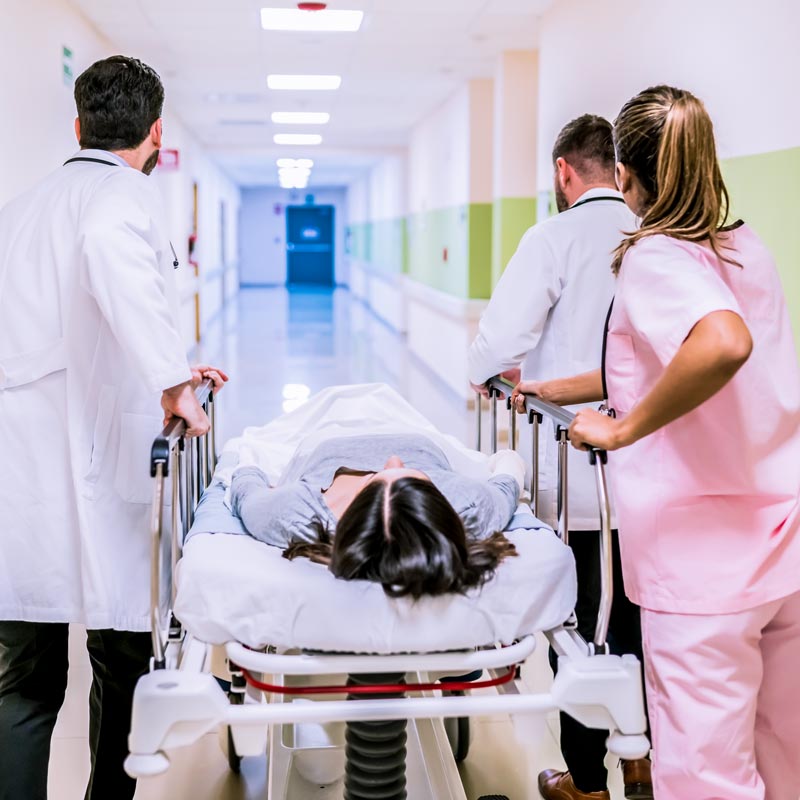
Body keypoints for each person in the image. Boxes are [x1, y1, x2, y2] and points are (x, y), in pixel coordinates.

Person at [513, 85, 800, 800]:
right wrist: (554, 390)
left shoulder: (654, 255)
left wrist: (623, 429)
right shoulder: (745, 248)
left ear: (627, 177)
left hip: (702, 572)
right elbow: (662, 364)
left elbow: (721, 343)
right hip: (782, 545)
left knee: (707, 780)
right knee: (783, 761)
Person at [0, 56, 227, 800]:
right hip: (97, 456)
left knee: (24, 678)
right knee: (122, 658)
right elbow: (111, 264)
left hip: (22, 466)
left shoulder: (22, 208)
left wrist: (174, 370)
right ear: (156, 132)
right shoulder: (123, 196)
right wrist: (174, 384)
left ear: (78, 125)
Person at [468, 115, 650, 800]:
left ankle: (587, 781)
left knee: (579, 624)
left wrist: (489, 371)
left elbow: (495, 347)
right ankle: (643, 760)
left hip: (577, 475)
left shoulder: (553, 237)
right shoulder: (654, 232)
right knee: (638, 622)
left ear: (563, 171)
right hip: (652, 469)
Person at [230, 434, 525, 599]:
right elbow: (509, 468)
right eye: (413, 475)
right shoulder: (467, 507)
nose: (393, 459)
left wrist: (245, 453)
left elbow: (246, 479)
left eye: (374, 478)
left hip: (323, 432)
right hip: (416, 434)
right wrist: (494, 459)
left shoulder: (294, 514)